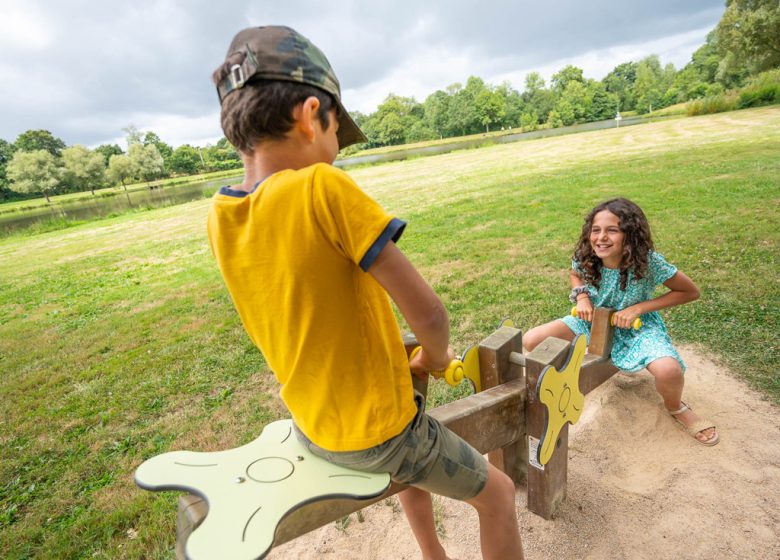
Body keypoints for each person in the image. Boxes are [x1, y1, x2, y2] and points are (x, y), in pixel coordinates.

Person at [206, 26, 524, 560]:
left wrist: (408, 355)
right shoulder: (320, 186)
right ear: (311, 116)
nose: (335, 150)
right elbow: (430, 313)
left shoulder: (221, 216)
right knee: (500, 495)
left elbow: (307, 311)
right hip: (379, 437)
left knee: (406, 373)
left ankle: (431, 550)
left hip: (314, 425)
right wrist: (436, 355)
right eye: (337, 134)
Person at [523, 198, 719, 446]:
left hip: (637, 328)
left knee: (669, 371)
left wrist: (638, 308)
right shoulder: (587, 255)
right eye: (596, 230)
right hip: (592, 320)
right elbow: (575, 274)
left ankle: (676, 407)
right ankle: (571, 374)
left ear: (630, 235)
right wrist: (582, 297)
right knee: (532, 340)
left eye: (612, 230)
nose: (601, 238)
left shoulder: (649, 262)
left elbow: (690, 292)